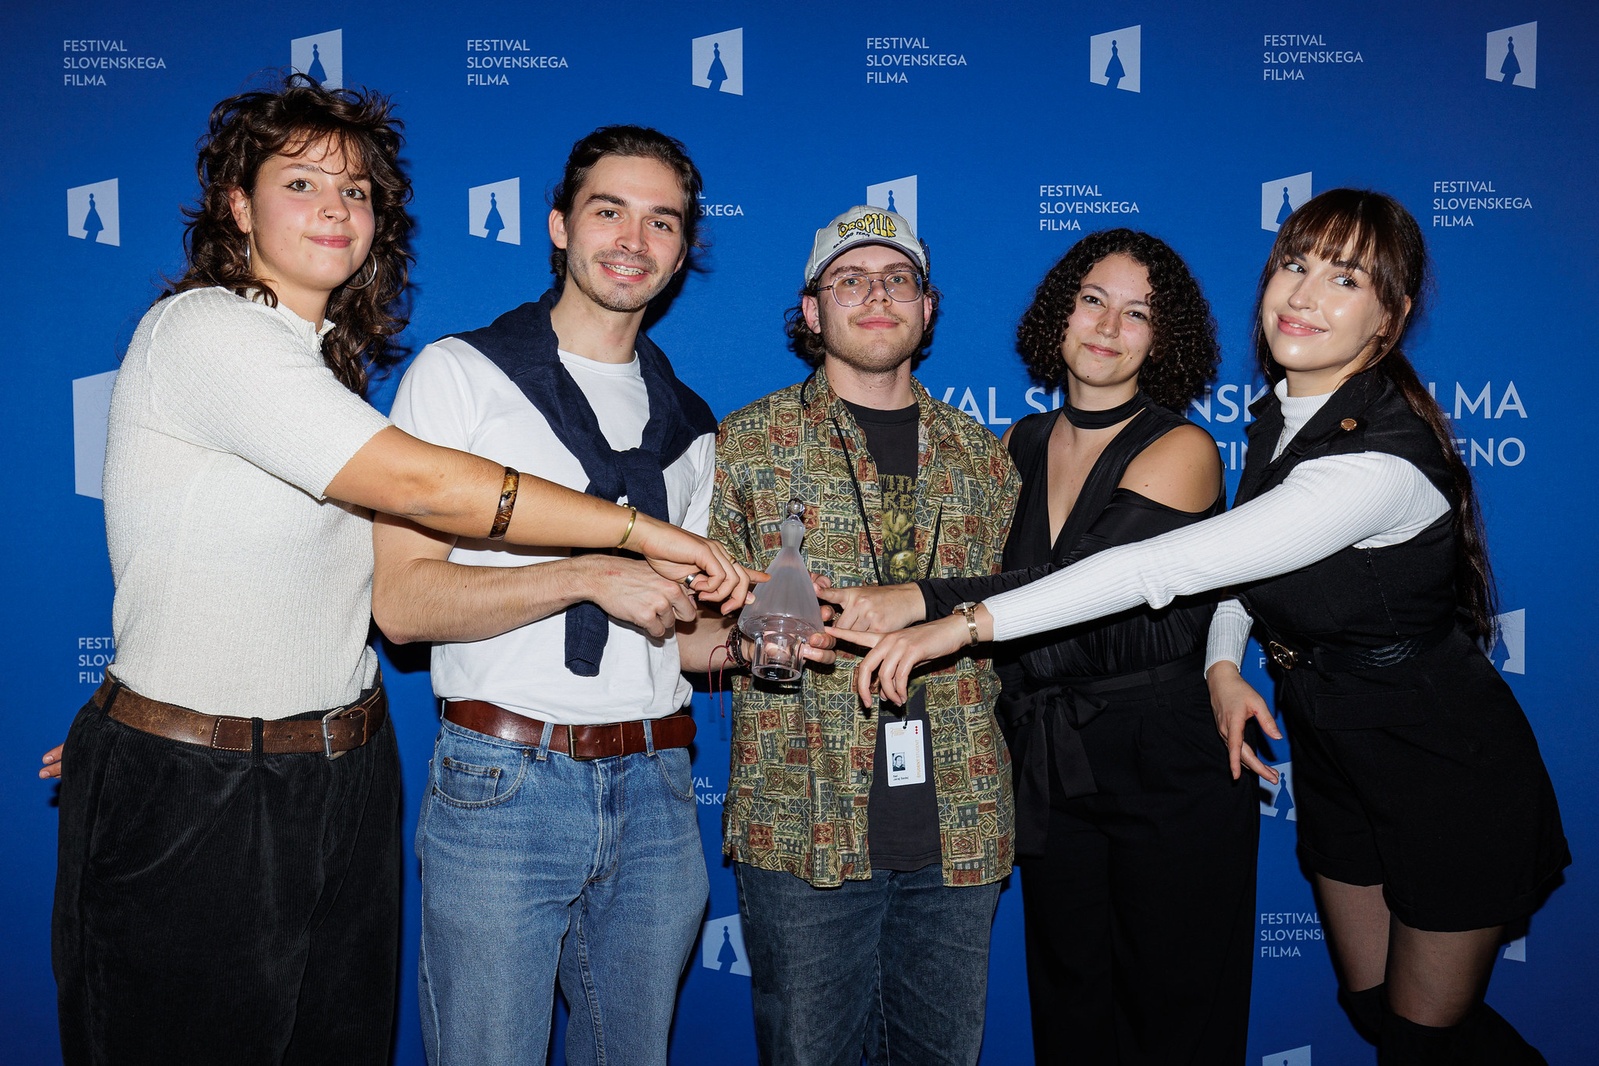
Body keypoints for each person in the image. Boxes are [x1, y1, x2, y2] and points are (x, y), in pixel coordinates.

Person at [46, 80, 745, 1066]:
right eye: (301, 183)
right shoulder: (206, 330)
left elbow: (274, 580)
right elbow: (421, 492)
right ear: (238, 207)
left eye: (359, 190)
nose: (337, 207)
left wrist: (130, 714)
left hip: (345, 773)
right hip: (211, 789)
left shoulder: (327, 368)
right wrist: (620, 541)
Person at [839, 189, 1569, 1065]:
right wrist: (1224, 667)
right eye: (1294, 266)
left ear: (1391, 315)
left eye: (1343, 278)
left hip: (1441, 763)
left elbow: (1161, 567)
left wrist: (950, 621)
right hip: (1335, 750)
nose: (1303, 296)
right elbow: (1240, 572)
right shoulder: (1281, 420)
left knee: (1421, 1037)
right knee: (1374, 1008)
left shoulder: (1369, 461)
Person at [371, 125, 791, 1066]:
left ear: (683, 252)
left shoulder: (689, 427)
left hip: (657, 791)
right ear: (559, 226)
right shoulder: (460, 376)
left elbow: (667, 635)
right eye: (609, 211)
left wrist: (766, 641)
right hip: (505, 782)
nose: (633, 240)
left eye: (662, 222)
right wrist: (588, 574)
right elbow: (401, 606)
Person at [831, 228, 1255, 1064]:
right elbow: (988, 571)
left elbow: (1077, 583)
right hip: (1047, 757)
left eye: (1137, 313)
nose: (1107, 325)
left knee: (1174, 1011)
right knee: (1070, 1003)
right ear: (1059, 314)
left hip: (1161, 753)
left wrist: (918, 605)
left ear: (1163, 340)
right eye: (1092, 299)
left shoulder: (1182, 449)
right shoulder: (1017, 444)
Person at [711, 205, 1021, 1066]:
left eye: (897, 280)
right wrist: (753, 642)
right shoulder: (745, 445)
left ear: (927, 306)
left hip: (958, 831)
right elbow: (690, 629)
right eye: (849, 280)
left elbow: (1019, 614)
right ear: (812, 311)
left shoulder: (984, 459)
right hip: (804, 826)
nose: (875, 296)